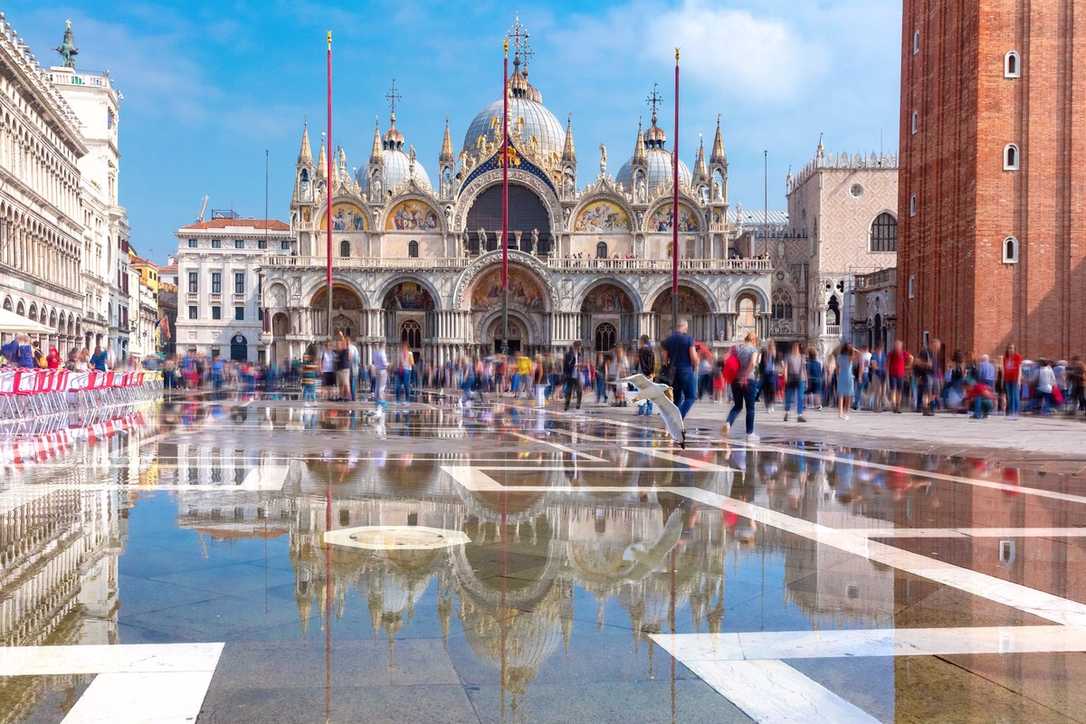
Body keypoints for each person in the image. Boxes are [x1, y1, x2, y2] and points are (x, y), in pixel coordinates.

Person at [722, 332, 759, 440]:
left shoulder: (737, 348)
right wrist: (745, 377)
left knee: (738, 405)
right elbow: (752, 363)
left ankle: (728, 423)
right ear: (753, 341)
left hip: (735, 380)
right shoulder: (753, 349)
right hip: (748, 381)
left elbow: (726, 359)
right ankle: (750, 433)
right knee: (750, 408)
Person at [661, 320, 699, 419]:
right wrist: (695, 366)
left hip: (673, 373)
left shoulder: (668, 340)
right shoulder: (688, 339)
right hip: (686, 370)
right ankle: (678, 417)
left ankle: (670, 421)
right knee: (691, 397)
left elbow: (664, 359)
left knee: (677, 398)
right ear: (685, 327)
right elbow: (694, 358)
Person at [782, 342, 807, 423]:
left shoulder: (802, 357)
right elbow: (785, 367)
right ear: (792, 348)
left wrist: (806, 380)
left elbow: (804, 369)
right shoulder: (788, 357)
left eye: (797, 347)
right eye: (795, 347)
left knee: (800, 397)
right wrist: (785, 377)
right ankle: (787, 412)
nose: (796, 349)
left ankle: (799, 415)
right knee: (788, 396)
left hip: (801, 379)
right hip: (790, 378)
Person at [1002, 344, 1023, 418]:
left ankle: (1015, 412)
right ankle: (1010, 411)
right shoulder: (1005, 358)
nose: (1010, 350)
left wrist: (1019, 380)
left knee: (1015, 395)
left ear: (1014, 349)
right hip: (1008, 379)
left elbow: (1020, 368)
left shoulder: (1017, 357)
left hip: (1015, 379)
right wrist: (1003, 380)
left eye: (1012, 348)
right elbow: (1004, 369)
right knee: (1009, 396)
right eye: (1009, 348)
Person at [636, 335, 655, 416]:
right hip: (650, 374)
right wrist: (651, 373)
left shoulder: (641, 350)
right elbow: (653, 362)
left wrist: (646, 373)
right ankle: (649, 411)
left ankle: (641, 411)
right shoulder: (651, 350)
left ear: (643, 341)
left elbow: (643, 363)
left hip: (643, 374)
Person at [563, 341, 584, 411]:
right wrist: (576, 365)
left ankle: (578, 404)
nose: (580, 348)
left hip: (578, 373)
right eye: (580, 346)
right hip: (570, 373)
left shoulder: (579, 354)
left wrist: (581, 366)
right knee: (569, 390)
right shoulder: (569, 354)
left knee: (580, 389)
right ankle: (567, 404)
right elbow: (567, 365)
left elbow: (580, 362)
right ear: (576, 347)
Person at [836, 342, 855, 419]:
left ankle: (840, 413)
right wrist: (853, 349)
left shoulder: (839, 357)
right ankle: (846, 412)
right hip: (849, 376)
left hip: (841, 376)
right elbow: (859, 354)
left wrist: (837, 377)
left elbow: (837, 369)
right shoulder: (850, 357)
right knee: (848, 395)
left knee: (841, 395)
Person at [887, 340, 907, 413]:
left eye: (899, 345)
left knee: (899, 390)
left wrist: (907, 366)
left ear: (901, 346)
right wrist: (887, 372)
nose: (897, 347)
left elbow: (911, 357)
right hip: (892, 374)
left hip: (901, 374)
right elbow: (888, 363)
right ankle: (894, 405)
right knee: (893, 390)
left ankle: (898, 406)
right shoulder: (891, 353)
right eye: (896, 345)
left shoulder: (903, 353)